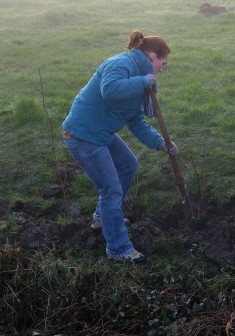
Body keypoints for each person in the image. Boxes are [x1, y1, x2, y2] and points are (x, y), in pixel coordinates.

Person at [62, 29, 178, 263]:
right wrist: (143, 81)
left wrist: (161, 144)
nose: (162, 70)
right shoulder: (122, 64)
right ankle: (118, 248)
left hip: (99, 131)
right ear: (152, 56)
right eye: (162, 64)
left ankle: (102, 218)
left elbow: (135, 119)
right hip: (82, 135)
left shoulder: (140, 78)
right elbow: (110, 89)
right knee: (111, 190)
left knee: (128, 165)